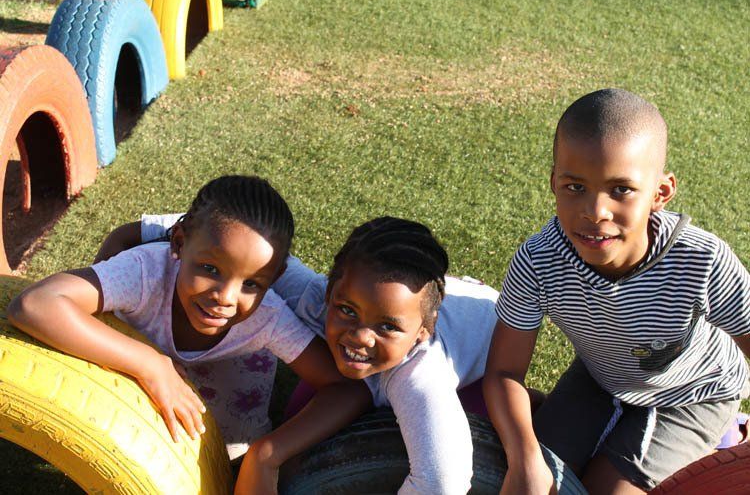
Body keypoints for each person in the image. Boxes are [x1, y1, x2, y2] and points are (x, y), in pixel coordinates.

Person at [127, 214, 567, 494]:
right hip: (413, 331)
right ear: (331, 289)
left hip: (478, 357)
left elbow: (442, 482)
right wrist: (143, 234)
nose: (360, 336)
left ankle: (531, 402)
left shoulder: (422, 375)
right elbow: (241, 238)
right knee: (302, 417)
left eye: (386, 327)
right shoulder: (310, 295)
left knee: (470, 417)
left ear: (419, 333)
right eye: (346, 309)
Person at [8, 175, 370, 494]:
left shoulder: (267, 316)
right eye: (211, 268)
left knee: (228, 459)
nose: (225, 298)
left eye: (251, 284)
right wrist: (150, 363)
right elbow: (37, 303)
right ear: (178, 244)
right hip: (148, 370)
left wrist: (266, 455)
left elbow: (346, 389)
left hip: (228, 393)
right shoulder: (147, 272)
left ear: (272, 282)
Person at [483, 88, 750, 494]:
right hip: (601, 376)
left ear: (660, 193)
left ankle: (726, 434)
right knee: (530, 475)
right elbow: (504, 371)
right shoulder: (539, 260)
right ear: (554, 182)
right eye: (575, 187)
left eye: (621, 189)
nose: (595, 211)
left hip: (694, 393)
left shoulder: (702, 260)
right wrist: (525, 459)